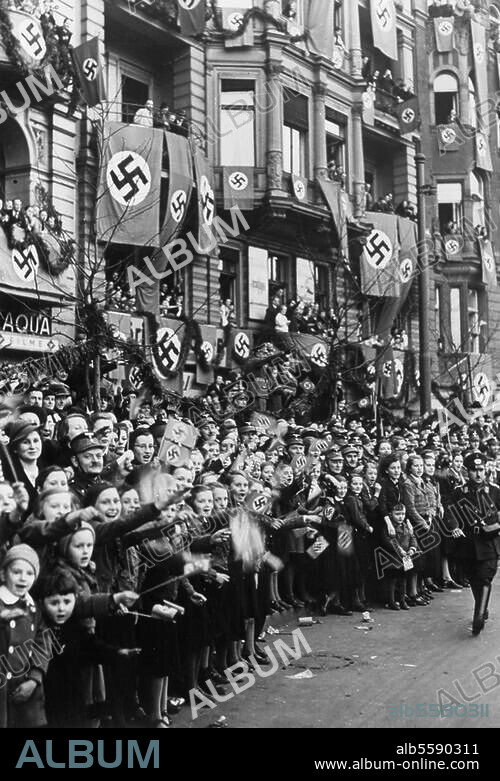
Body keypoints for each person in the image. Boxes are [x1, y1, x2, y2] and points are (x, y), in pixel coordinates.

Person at [446, 453, 500, 635]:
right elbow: (450, 511)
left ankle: (478, 616)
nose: (478, 474)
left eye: (481, 470)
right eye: (473, 470)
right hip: (467, 543)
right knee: (474, 579)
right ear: (466, 471)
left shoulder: (495, 490)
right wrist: (454, 526)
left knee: (485, 577)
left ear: (485, 470)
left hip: (489, 542)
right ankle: (482, 607)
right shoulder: (459, 492)